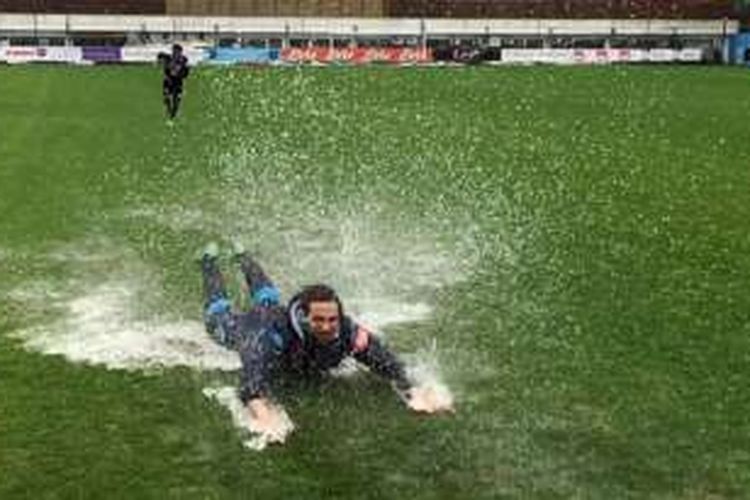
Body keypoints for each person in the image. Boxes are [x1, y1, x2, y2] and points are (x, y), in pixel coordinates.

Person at [199, 243, 449, 440]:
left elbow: (387, 363)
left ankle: (243, 257)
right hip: (250, 327)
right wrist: (266, 418)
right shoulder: (269, 339)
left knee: (268, 298)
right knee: (217, 315)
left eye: (332, 319)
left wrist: (415, 391)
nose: (328, 327)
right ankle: (208, 263)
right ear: (306, 318)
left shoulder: (348, 333)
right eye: (319, 320)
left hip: (273, 311)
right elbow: (250, 386)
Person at [158, 43, 190, 120]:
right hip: (168, 81)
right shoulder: (168, 58)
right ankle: (169, 111)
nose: (175, 53)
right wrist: (161, 61)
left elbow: (185, 73)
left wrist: (181, 74)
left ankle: (173, 114)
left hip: (178, 82)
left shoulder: (183, 61)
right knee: (166, 97)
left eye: (177, 51)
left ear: (180, 52)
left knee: (176, 100)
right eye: (174, 51)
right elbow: (160, 56)